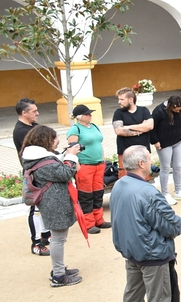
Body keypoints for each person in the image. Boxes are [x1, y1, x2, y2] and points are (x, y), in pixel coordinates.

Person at [111, 145, 181, 302]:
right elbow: (170, 224)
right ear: (141, 164)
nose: (151, 161)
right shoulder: (147, 192)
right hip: (152, 254)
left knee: (133, 293)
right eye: (148, 158)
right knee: (159, 299)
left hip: (131, 250)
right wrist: (180, 223)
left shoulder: (119, 185)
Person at [21, 125, 83, 287]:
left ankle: (59, 268)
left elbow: (56, 169)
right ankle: (58, 276)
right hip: (54, 203)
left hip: (52, 201)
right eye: (55, 138)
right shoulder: (42, 161)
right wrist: (70, 157)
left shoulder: (36, 157)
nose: (57, 141)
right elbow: (63, 173)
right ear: (46, 140)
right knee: (57, 239)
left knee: (58, 238)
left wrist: (65, 155)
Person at [65, 105, 110, 234]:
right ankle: (88, 223)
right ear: (79, 117)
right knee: (86, 195)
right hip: (85, 166)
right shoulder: (75, 129)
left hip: (98, 165)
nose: (90, 115)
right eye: (87, 114)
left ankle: (99, 220)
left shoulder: (94, 126)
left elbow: (98, 143)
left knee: (98, 193)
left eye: (90, 113)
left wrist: (103, 160)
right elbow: (71, 149)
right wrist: (77, 167)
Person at [14, 98, 51, 256]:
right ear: (24, 113)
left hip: (44, 172)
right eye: (34, 111)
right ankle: (36, 243)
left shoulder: (34, 127)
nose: (37, 113)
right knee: (35, 209)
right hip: (33, 175)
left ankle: (45, 235)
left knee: (44, 207)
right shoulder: (21, 131)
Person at [149, 96, 181, 205]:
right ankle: (165, 193)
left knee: (178, 166)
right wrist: (155, 141)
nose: (178, 111)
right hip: (164, 144)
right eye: (175, 109)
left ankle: (178, 191)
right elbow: (152, 128)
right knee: (166, 167)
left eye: (179, 109)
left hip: (177, 141)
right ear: (170, 106)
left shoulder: (180, 110)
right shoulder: (159, 111)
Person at [112, 87, 154, 179]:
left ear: (131, 100)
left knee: (144, 179)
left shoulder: (144, 110)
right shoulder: (118, 113)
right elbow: (119, 131)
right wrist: (140, 130)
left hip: (143, 152)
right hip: (125, 153)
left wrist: (128, 127)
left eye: (122, 99)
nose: (119, 102)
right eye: (119, 99)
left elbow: (150, 126)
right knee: (126, 179)